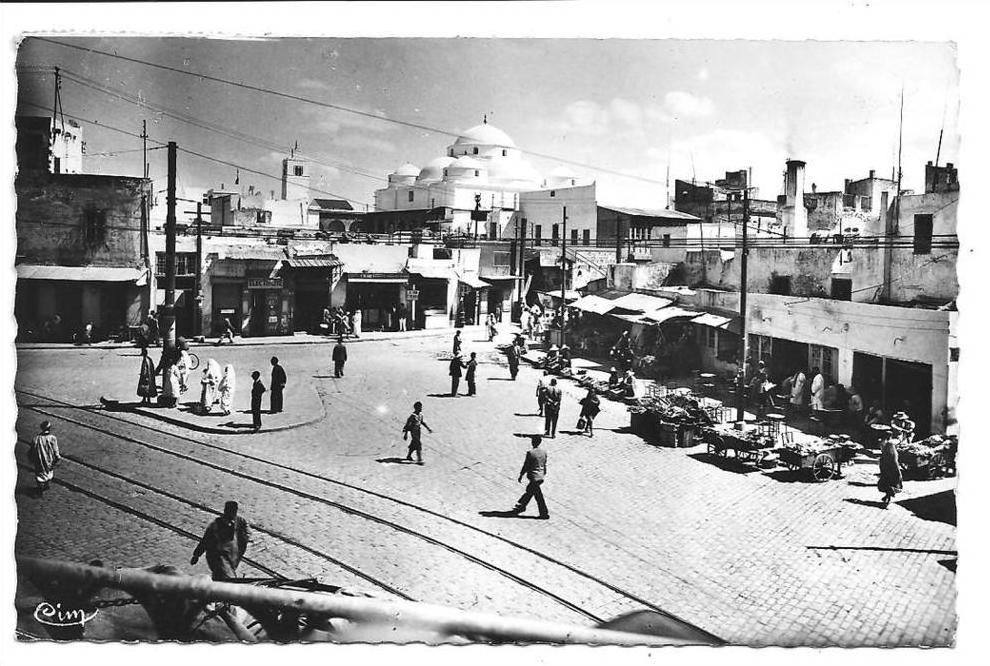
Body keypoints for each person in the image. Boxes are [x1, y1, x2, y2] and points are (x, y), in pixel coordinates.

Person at [190, 501, 250, 581]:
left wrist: (244, 537)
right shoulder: (216, 525)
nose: (232, 514)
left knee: (225, 576)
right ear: (225, 511)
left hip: (232, 557)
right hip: (218, 557)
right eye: (229, 511)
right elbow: (205, 540)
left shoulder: (240, 521)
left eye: (233, 511)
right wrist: (196, 555)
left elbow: (247, 534)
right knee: (226, 577)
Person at [511, 435, 549, 519]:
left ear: (533, 442)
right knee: (530, 491)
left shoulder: (530, 453)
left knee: (538, 496)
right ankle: (521, 506)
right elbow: (544, 464)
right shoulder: (544, 452)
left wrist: (521, 475)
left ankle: (544, 513)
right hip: (541, 476)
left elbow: (526, 465)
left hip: (533, 477)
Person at [29, 420, 61, 496]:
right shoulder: (52, 438)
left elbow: (32, 451)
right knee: (48, 472)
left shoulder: (36, 439)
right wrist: (57, 459)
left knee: (40, 474)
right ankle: (46, 485)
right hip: (49, 460)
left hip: (39, 461)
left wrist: (32, 459)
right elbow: (56, 451)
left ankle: (40, 488)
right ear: (49, 429)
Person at [877, 435, 903, 508]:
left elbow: (890, 460)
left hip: (888, 469)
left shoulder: (888, 446)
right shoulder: (889, 445)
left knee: (888, 485)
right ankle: (887, 498)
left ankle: (887, 501)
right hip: (888, 469)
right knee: (888, 484)